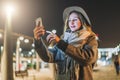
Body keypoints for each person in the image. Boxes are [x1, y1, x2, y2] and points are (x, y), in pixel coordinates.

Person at [33, 6, 98, 80]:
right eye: (69, 20)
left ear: (82, 21)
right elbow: (48, 57)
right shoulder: (64, 38)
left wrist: (60, 43)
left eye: (75, 19)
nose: (71, 22)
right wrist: (38, 40)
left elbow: (88, 58)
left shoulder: (90, 38)